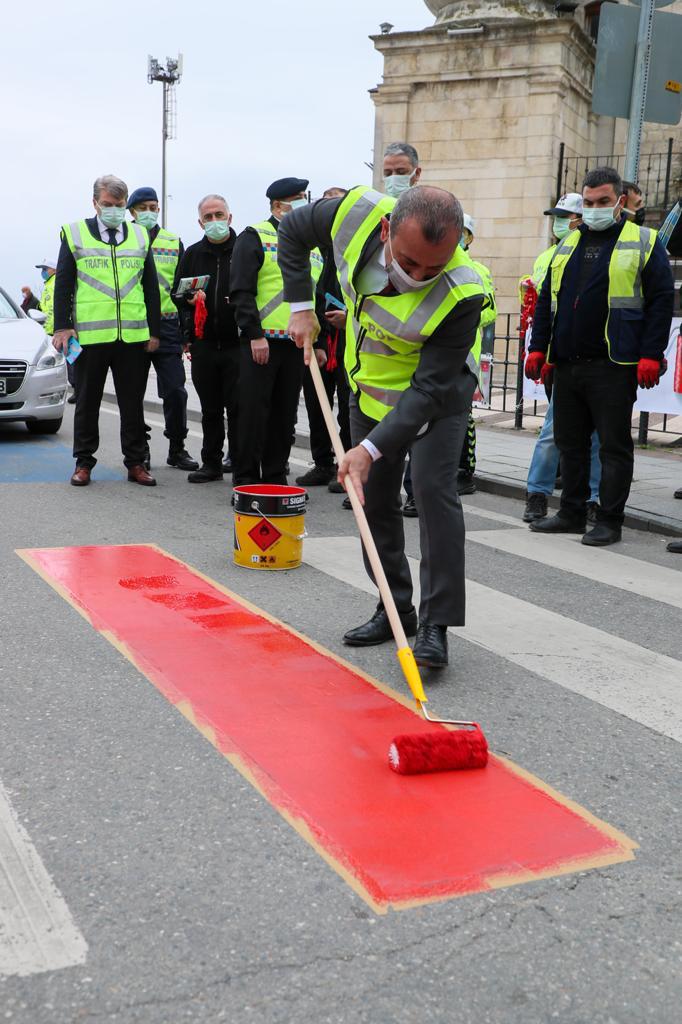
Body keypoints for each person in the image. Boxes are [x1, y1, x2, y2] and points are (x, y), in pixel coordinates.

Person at [279, 185, 485, 669]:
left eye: (431, 269)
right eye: (409, 262)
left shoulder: (464, 290)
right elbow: (292, 230)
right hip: (368, 384)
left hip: (435, 400)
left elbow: (430, 391)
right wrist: (299, 306)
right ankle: (394, 607)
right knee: (372, 503)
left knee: (434, 496)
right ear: (387, 228)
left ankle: (436, 626)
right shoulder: (353, 214)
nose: (417, 278)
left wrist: (368, 450)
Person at [526, 167, 674, 546]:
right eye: (588, 203)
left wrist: (651, 355)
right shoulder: (568, 244)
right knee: (569, 443)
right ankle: (572, 512)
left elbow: (660, 301)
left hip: (615, 362)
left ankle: (609, 520)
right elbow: (548, 301)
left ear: (620, 202)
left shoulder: (644, 240)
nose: (593, 209)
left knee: (613, 446)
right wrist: (539, 348)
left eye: (602, 202)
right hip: (569, 361)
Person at [52, 174, 161, 486]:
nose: (113, 210)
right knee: (87, 403)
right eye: (107, 204)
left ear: (126, 205)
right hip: (90, 337)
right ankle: (84, 463)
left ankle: (136, 463)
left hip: (132, 336)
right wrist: (63, 326)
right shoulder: (74, 234)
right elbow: (64, 285)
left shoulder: (140, 236)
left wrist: (154, 331)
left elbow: (150, 287)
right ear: (95, 204)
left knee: (132, 405)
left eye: (119, 205)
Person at [230, 177, 325, 486]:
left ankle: (274, 478)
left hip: (296, 345)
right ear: (278, 205)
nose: (303, 203)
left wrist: (318, 341)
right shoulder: (255, 236)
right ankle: (246, 480)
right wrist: (254, 334)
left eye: (304, 197)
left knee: (284, 418)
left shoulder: (311, 245)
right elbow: (241, 291)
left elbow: (315, 297)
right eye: (297, 198)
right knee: (253, 416)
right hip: (262, 342)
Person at [522, 193, 604, 523]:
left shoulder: (599, 252)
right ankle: (537, 494)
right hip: (562, 356)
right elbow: (544, 305)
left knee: (596, 434)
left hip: (598, 355)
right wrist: (539, 349)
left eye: (565, 215)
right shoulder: (552, 256)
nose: (559, 222)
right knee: (554, 431)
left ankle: (593, 499)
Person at [127, 187, 198, 472]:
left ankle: (177, 447)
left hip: (168, 325)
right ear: (132, 211)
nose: (149, 212)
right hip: (134, 324)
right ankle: (139, 448)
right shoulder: (123, 239)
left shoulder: (172, 240)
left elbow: (182, 288)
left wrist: (187, 332)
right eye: (143, 207)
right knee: (132, 392)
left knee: (176, 391)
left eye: (153, 207)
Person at [173, 194, 239, 482]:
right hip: (204, 343)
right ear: (200, 222)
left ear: (230, 217)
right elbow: (177, 293)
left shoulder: (244, 249)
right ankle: (210, 462)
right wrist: (188, 301)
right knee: (211, 409)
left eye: (219, 215)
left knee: (239, 407)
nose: (215, 221)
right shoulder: (192, 254)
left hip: (238, 344)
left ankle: (238, 459)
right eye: (208, 217)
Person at [296, 186, 352, 489]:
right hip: (316, 337)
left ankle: (348, 467)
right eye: (325, 206)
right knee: (317, 403)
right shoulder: (311, 248)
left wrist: (350, 320)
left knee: (348, 406)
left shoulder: (355, 245)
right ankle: (322, 463)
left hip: (349, 337)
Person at [454, 213, 497, 496]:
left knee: (463, 417)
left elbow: (489, 310)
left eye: (463, 234)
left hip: (464, 355)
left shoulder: (477, 270)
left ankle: (465, 471)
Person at [36, 259, 56, 334]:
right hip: (49, 329)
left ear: (54, 270)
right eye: (42, 269)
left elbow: (53, 307)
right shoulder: (48, 285)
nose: (42, 272)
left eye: (45, 269)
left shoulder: (55, 284)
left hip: (52, 331)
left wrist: (46, 328)